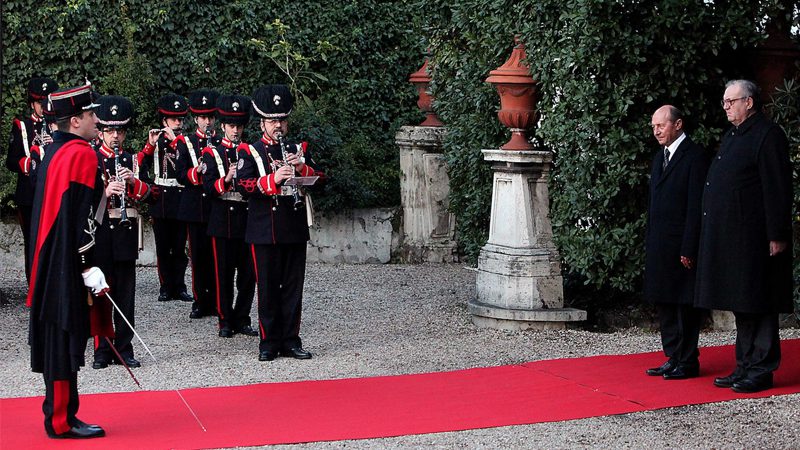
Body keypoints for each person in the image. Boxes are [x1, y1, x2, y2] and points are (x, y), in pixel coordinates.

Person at [695, 79, 794, 393]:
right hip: (733, 237)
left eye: (731, 101)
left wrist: (777, 233)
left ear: (749, 102)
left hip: (756, 237)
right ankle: (744, 364)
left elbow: (777, 187)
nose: (726, 107)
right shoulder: (734, 135)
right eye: (724, 102)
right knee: (742, 303)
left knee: (760, 304)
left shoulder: (768, 135)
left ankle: (761, 369)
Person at [27, 82, 109, 439]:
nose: (97, 120)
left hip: (48, 260)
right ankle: (60, 420)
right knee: (62, 340)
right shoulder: (82, 154)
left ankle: (62, 414)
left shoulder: (56, 151)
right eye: (91, 115)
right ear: (75, 120)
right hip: (66, 262)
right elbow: (83, 219)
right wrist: (88, 263)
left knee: (57, 338)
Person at [236, 84, 320, 361]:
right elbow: (243, 184)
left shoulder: (298, 148)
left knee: (294, 287)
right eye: (273, 121)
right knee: (269, 287)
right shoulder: (251, 150)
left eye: (282, 120)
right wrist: (274, 179)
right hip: (263, 229)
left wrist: (300, 168)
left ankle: (291, 340)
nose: (278, 126)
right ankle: (268, 342)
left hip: (293, 226)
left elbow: (320, 177)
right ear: (262, 122)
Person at [644, 105, 710, 380]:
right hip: (660, 244)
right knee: (665, 302)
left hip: (682, 245)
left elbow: (697, 206)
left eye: (661, 125)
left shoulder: (695, 157)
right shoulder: (660, 158)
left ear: (678, 124)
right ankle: (672, 356)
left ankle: (687, 359)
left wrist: (689, 246)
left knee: (684, 304)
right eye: (653, 126)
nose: (656, 130)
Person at [91, 95, 152, 370]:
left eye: (120, 131)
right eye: (110, 131)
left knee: (126, 294)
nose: (115, 137)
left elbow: (149, 194)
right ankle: (102, 350)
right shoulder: (90, 158)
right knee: (102, 291)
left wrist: (132, 182)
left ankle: (124, 348)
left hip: (126, 231)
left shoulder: (130, 159)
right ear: (101, 131)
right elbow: (83, 200)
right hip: (102, 232)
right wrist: (104, 192)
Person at [202, 94, 258, 338]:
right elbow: (207, 188)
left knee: (248, 275)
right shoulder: (211, 153)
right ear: (222, 126)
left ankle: (243, 317)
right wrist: (225, 180)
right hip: (223, 217)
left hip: (247, 218)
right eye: (231, 126)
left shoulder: (252, 152)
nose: (236, 131)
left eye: (239, 126)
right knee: (223, 275)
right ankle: (225, 320)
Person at [138, 93, 193, 303]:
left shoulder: (185, 142)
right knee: (163, 246)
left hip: (180, 197)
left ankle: (179, 286)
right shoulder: (156, 140)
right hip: (161, 199)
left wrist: (177, 140)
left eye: (180, 119)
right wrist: (149, 145)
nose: (178, 123)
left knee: (179, 247)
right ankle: (165, 286)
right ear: (164, 121)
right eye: (173, 119)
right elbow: (139, 164)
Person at [5, 77, 59, 282]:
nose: (44, 107)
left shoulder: (58, 127)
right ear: (31, 104)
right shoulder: (22, 126)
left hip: (53, 190)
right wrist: (30, 163)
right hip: (29, 194)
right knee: (32, 240)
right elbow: (10, 161)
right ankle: (34, 285)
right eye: (39, 102)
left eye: (47, 103)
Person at [176, 89, 219, 319]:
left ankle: (217, 301)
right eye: (203, 117)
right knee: (199, 257)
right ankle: (200, 300)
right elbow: (180, 173)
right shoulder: (186, 142)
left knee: (217, 257)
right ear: (196, 119)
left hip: (216, 206)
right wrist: (197, 171)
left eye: (211, 117)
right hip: (195, 207)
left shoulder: (221, 141)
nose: (208, 122)